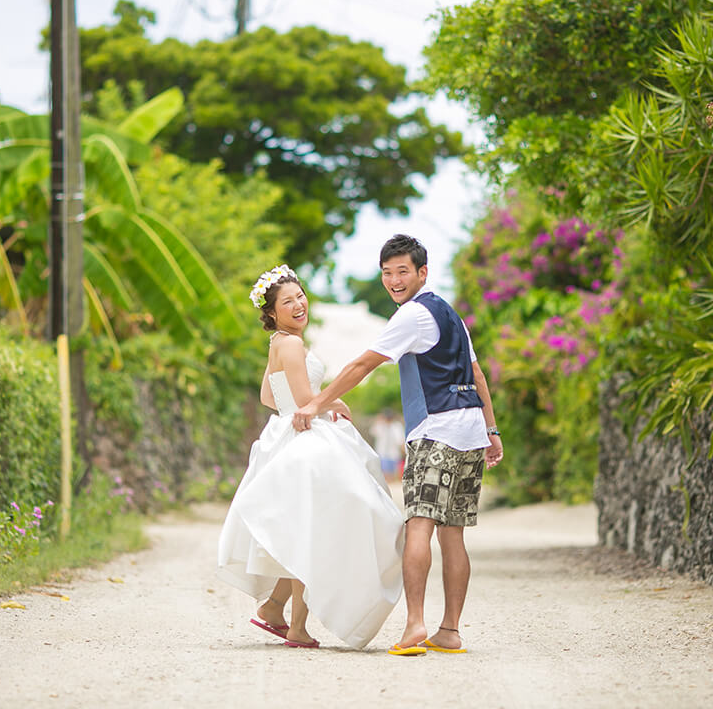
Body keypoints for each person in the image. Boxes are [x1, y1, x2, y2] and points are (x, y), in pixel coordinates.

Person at [293, 234, 504, 657]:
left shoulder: (413, 315)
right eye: (387, 273)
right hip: (468, 432)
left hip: (436, 432)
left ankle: (414, 626)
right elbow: (477, 375)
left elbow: (363, 364)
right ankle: (449, 631)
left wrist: (316, 402)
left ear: (422, 272)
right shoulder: (451, 314)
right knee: (454, 535)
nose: (394, 280)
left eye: (402, 271)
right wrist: (491, 431)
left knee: (419, 525)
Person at [216, 264, 405, 650]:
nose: (299, 304)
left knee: (301, 527)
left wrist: (305, 406)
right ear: (271, 313)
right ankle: (298, 627)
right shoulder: (292, 344)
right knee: (315, 528)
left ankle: (273, 607)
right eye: (288, 301)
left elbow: (270, 398)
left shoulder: (278, 343)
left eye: (300, 296)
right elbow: (304, 400)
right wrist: (335, 401)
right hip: (305, 439)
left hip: (288, 433)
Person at [370, 410, 404, 481]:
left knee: (394, 474)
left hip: (393, 454)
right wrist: (378, 420)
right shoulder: (380, 425)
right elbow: (373, 432)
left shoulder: (396, 426)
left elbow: (400, 440)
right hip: (382, 453)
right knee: (384, 474)